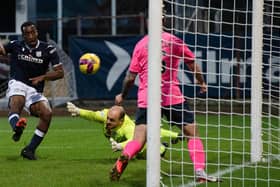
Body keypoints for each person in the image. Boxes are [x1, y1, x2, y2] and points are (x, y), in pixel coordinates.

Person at [109, 22, 221, 183]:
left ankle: (125, 156)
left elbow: (130, 77)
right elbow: (192, 64)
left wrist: (123, 95)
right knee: (192, 133)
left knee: (138, 140)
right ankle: (199, 170)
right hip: (171, 96)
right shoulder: (174, 40)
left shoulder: (140, 45)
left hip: (147, 98)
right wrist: (201, 82)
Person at [0, 21, 64, 160]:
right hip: (18, 82)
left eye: (32, 32)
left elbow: (60, 73)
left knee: (47, 113)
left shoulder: (48, 49)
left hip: (35, 90)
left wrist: (43, 77)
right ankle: (17, 127)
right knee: (18, 101)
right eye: (27, 33)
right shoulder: (16, 45)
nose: (30, 35)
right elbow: (1, 50)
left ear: (37, 32)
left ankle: (29, 150)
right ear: (23, 35)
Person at [66, 102, 181, 158]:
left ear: (120, 121)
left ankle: (162, 147)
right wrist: (78, 111)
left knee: (143, 154)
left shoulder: (127, 128)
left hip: (141, 146)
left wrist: (120, 146)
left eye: (112, 120)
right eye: (108, 119)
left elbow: (132, 140)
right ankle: (175, 136)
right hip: (128, 135)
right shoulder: (106, 116)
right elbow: (92, 115)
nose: (108, 122)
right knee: (148, 130)